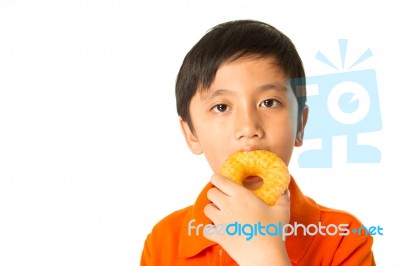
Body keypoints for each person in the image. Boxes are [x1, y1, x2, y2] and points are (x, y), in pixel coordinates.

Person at [140, 20, 375, 265]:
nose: (249, 128)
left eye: (269, 102)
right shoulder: (163, 244)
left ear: (300, 125)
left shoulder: (343, 239)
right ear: (191, 133)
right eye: (221, 107)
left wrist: (266, 256)